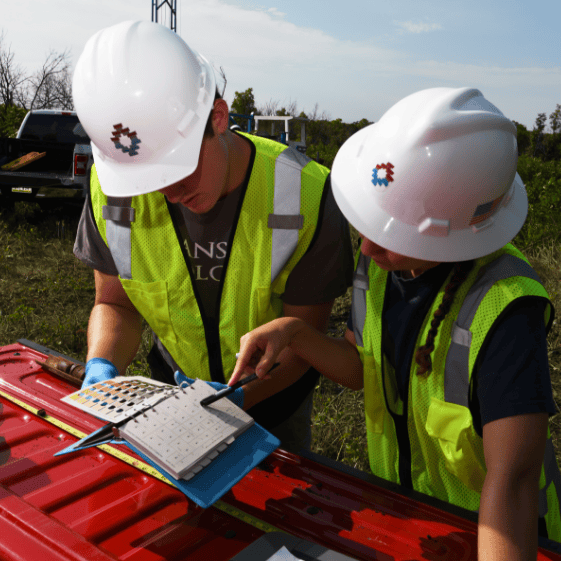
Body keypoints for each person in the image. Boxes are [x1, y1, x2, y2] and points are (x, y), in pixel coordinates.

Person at [230, 87, 561, 557]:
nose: (366, 250)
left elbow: (514, 485)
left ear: (452, 233)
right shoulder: (385, 265)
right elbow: (364, 370)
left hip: (489, 537)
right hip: (409, 520)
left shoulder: (507, 311)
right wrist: (298, 335)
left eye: (391, 236)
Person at [71, 20, 354, 454]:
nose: (169, 193)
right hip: (168, 396)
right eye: (145, 179)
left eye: (177, 169)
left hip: (273, 406)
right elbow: (114, 302)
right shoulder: (111, 192)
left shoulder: (306, 195)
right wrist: (102, 363)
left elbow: (304, 339)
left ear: (218, 118)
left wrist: (230, 403)